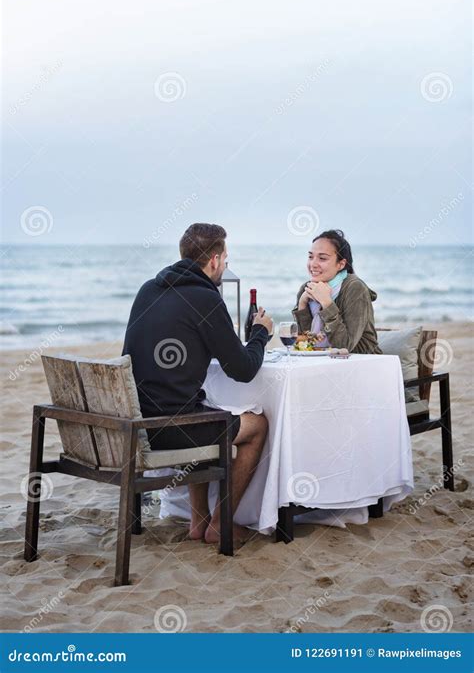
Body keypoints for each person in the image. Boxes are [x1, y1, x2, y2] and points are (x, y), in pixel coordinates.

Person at [122, 223, 273, 544]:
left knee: (202, 408)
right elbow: (243, 369)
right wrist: (261, 333)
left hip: (137, 423)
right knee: (257, 425)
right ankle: (222, 523)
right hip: (169, 431)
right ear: (215, 260)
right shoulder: (205, 299)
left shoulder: (148, 289)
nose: (225, 267)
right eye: (226, 260)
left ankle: (199, 521)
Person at [292, 229, 381, 354]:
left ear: (341, 264)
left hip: (361, 362)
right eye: (311, 257)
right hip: (323, 361)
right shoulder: (306, 289)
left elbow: (344, 346)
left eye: (322, 258)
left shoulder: (355, 288)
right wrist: (302, 306)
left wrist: (327, 303)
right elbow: (306, 345)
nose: (313, 264)